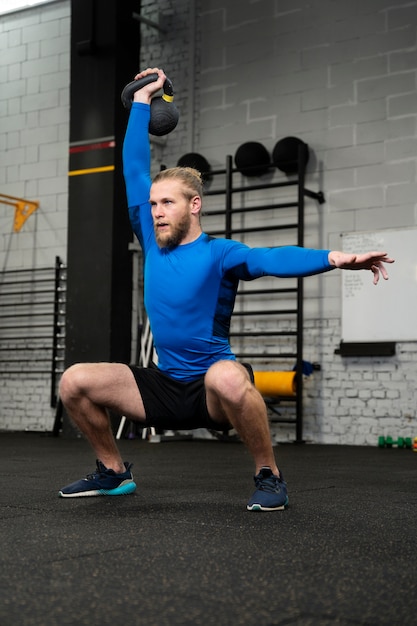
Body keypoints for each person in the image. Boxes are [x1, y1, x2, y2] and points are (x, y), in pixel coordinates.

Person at [58, 67, 394, 511]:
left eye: (167, 203)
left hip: (211, 388)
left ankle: (269, 476)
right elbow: (134, 167)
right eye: (153, 203)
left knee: (229, 377)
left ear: (194, 205)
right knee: (74, 381)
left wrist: (333, 258)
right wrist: (141, 100)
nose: (156, 211)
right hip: (161, 384)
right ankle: (114, 472)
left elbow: (270, 258)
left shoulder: (221, 254)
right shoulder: (151, 239)